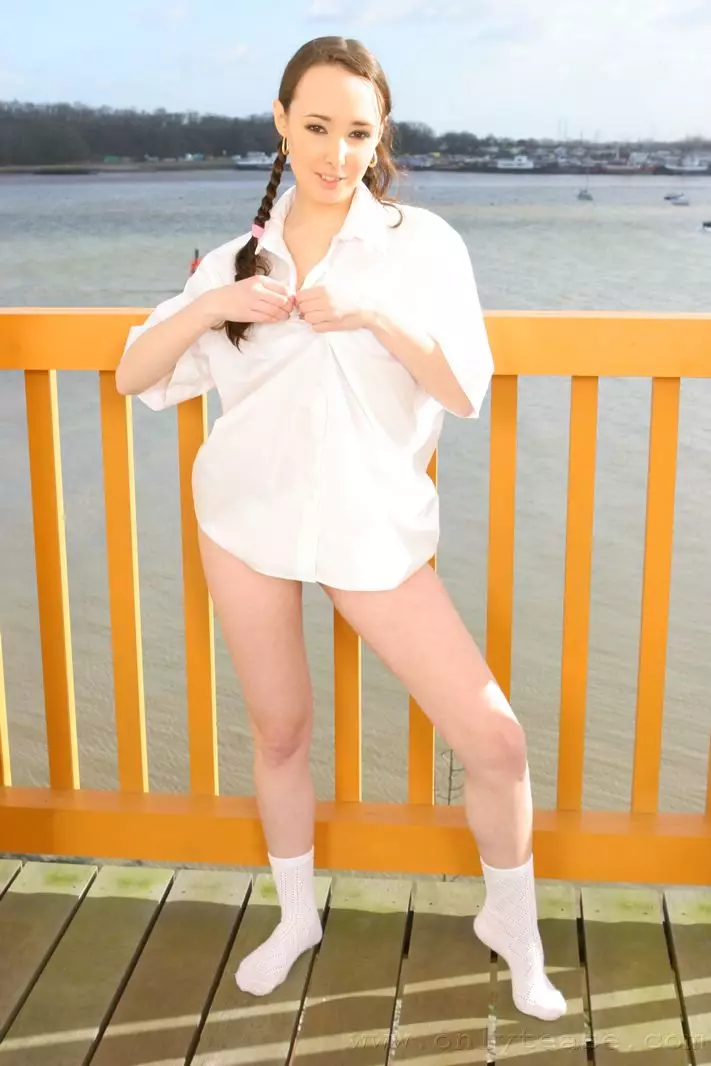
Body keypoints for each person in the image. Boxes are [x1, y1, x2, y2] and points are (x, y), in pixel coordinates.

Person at [115, 36, 566, 1022]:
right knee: (281, 732)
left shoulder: (422, 244)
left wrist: (374, 315)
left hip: (373, 533)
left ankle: (514, 928)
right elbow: (134, 373)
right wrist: (212, 305)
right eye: (316, 126)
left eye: (358, 132)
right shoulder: (236, 257)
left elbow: (465, 389)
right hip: (244, 521)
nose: (336, 152)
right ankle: (295, 919)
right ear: (281, 123)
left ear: (380, 134)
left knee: (495, 741)